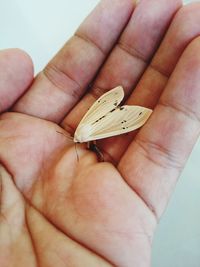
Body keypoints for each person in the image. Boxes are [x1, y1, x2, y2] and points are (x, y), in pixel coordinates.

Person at [0, 0, 200, 266]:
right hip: (98, 118)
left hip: (97, 119)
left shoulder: (81, 135)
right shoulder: (80, 133)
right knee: (120, 121)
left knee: (122, 120)